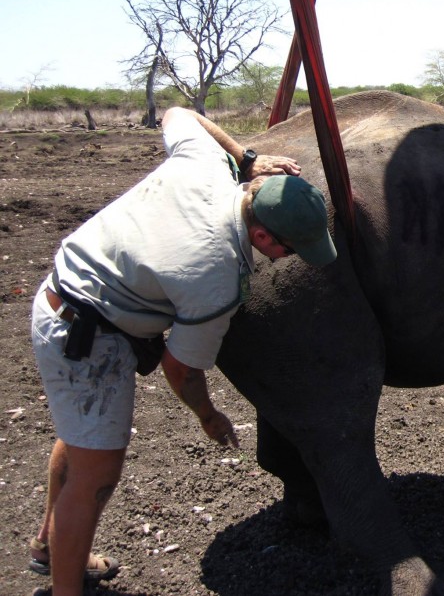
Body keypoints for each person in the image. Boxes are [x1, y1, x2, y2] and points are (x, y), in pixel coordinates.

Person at [27, 106, 337, 596]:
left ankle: (50, 544)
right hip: (87, 334)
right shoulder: (216, 276)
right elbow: (181, 368)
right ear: (262, 236)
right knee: (97, 472)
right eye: (291, 250)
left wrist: (245, 156)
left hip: (65, 292)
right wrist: (208, 415)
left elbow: (175, 113)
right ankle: (66, 586)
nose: (289, 259)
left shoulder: (207, 166)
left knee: (81, 436)